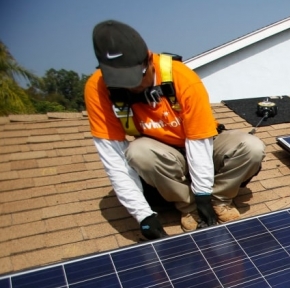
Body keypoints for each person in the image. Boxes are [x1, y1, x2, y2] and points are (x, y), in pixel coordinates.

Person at [85, 20, 265, 240]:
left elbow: (198, 142)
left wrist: (203, 196)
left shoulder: (181, 77)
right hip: (161, 153)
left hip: (203, 143)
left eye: (138, 79)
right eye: (124, 83)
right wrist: (143, 216)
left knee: (252, 147)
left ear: (149, 60)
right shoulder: (98, 88)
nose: (134, 87)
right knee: (138, 152)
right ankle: (187, 208)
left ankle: (220, 200)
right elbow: (113, 158)